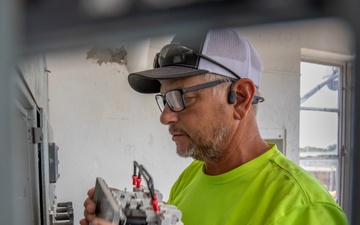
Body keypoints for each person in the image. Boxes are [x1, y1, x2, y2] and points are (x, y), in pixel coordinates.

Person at [80, 29, 349, 225]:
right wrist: (132, 216)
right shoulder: (192, 175)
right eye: (165, 99)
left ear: (241, 98)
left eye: (182, 97)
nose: (165, 117)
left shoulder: (304, 210)